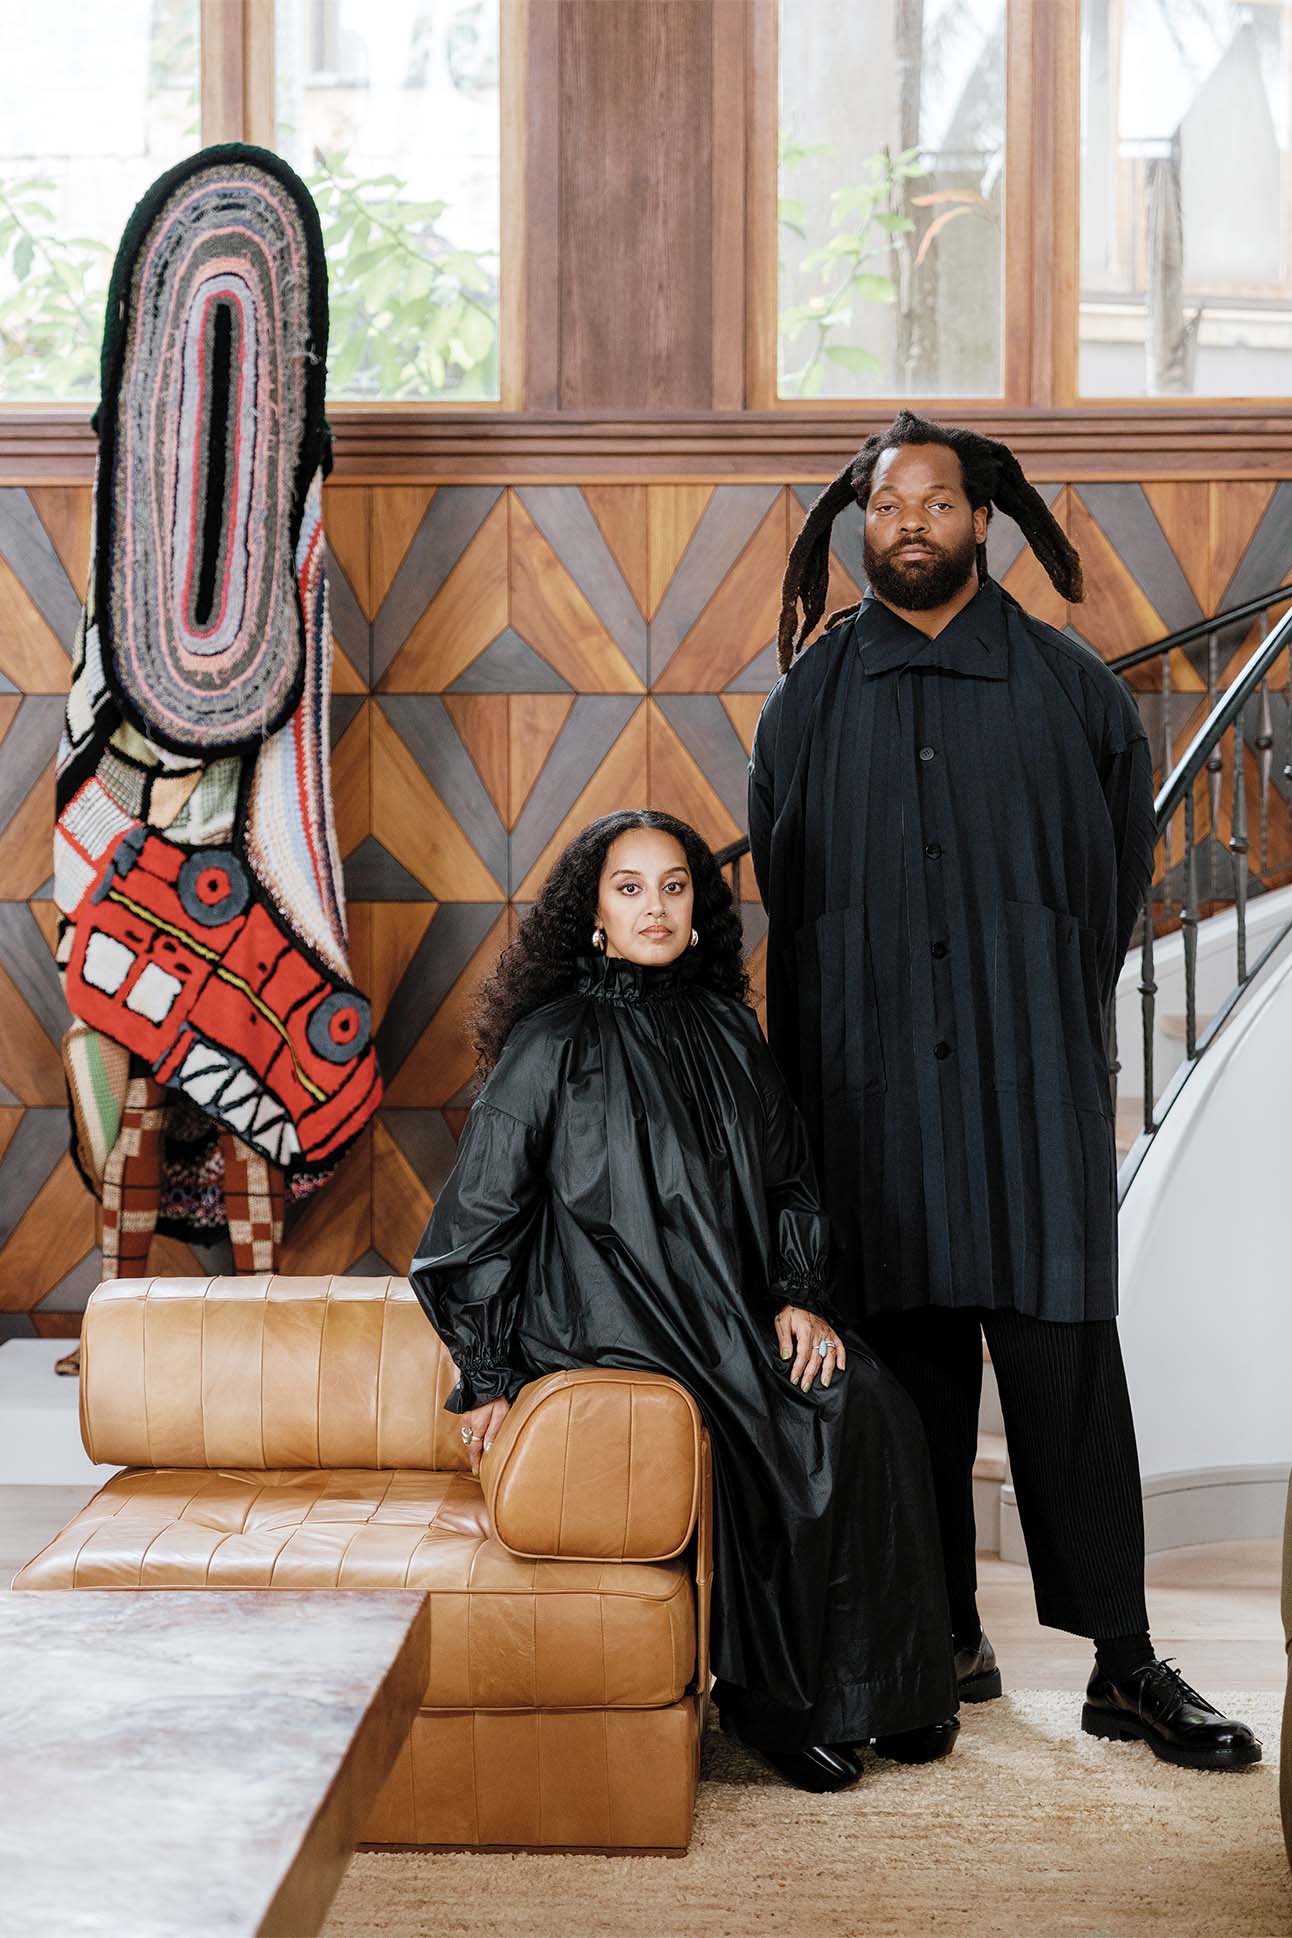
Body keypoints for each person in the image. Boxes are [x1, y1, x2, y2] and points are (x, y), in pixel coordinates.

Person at [748, 409, 1260, 1771]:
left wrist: (1025, 1006)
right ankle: (940, 1642)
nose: (908, 521)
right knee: (902, 1386)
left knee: (1067, 1377)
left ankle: (1124, 1664)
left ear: (987, 520)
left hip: (1027, 1097)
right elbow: (787, 914)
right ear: (860, 523)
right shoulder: (807, 704)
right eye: (887, 503)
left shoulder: (1071, 690)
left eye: (936, 502)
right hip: (866, 1110)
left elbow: (1109, 892)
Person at [410, 808, 959, 1792]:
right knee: (775, 1423)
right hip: (602, 1316)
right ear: (593, 915)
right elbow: (473, 1220)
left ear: (696, 910)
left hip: (729, 1306)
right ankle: (776, 1705)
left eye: (672, 887)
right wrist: (484, 1374)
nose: (652, 907)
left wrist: (798, 1297)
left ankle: (888, 1690)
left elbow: (790, 1180)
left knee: (872, 1401)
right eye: (628, 888)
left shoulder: (727, 1031)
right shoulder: (551, 1041)